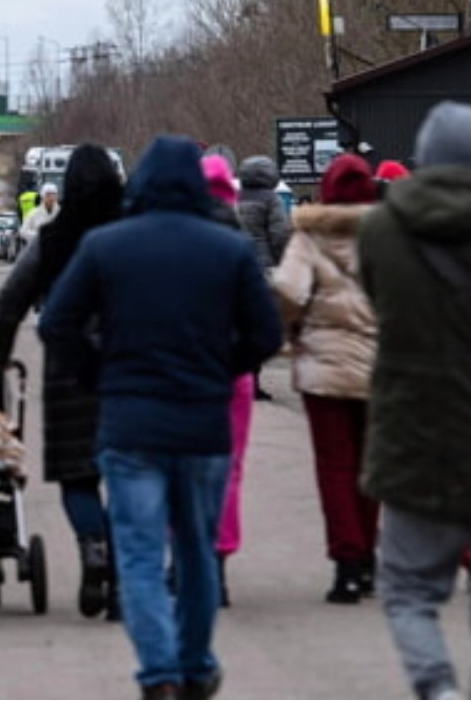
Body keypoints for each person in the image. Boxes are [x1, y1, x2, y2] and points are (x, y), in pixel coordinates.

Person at [40, 136, 281, 700]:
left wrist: (99, 374)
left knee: (140, 552)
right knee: (194, 549)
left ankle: (159, 672)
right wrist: (224, 370)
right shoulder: (228, 249)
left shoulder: (106, 247)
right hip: (203, 425)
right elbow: (267, 334)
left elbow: (57, 324)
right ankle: (196, 664)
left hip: (130, 424)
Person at [357, 102, 470, 701]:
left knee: (407, 590)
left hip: (412, 423)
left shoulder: (380, 229)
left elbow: (378, 304)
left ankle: (439, 689)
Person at [0, 144, 126, 621]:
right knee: (130, 481)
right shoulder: (134, 232)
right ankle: (124, 580)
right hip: (133, 373)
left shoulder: (53, 238)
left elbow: (9, 302)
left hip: (69, 374)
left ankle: (93, 549)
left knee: (78, 476)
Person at [272, 153, 381, 605]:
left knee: (334, 466)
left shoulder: (309, 236)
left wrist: (291, 330)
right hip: (381, 366)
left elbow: (288, 290)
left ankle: (347, 566)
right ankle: (371, 560)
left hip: (324, 366)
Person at [200, 154, 254, 609]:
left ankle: (185, 560)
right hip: (231, 373)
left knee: (180, 467)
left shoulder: (172, 243)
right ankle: (218, 561)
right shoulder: (241, 246)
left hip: (181, 375)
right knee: (228, 469)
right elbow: (265, 324)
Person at [235, 156, 290, 401]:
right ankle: (254, 380)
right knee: (257, 323)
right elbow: (279, 234)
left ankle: (238, 377)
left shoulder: (235, 197)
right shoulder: (271, 199)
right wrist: (282, 260)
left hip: (235, 264)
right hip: (262, 266)